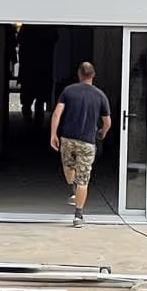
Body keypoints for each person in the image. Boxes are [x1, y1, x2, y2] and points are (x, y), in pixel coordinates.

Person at [49, 62, 111, 227]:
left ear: (79, 74)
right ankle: (78, 216)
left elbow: (56, 114)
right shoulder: (100, 95)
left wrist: (53, 134)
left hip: (68, 138)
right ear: (93, 75)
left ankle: (73, 188)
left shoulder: (68, 91)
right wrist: (102, 133)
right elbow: (107, 122)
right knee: (84, 179)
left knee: (68, 169)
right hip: (87, 142)